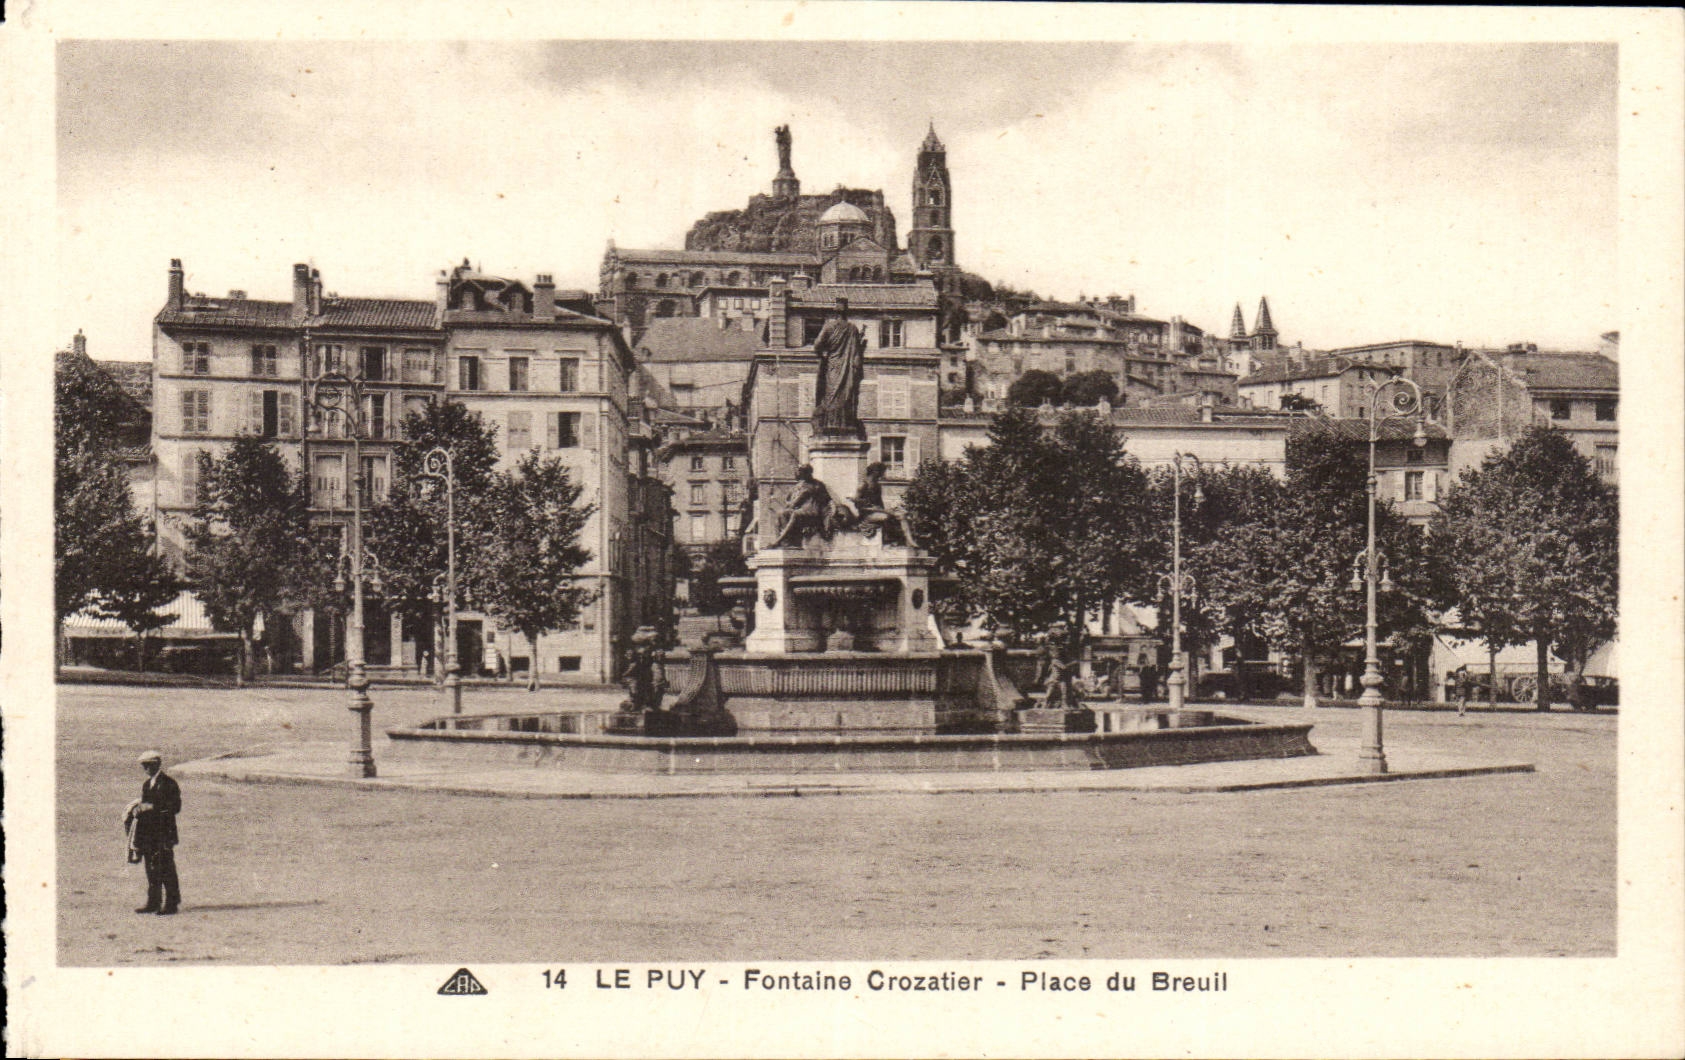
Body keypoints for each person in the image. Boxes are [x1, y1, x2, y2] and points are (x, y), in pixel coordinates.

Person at [124, 751, 181, 915]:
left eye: (148, 765)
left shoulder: (169, 784)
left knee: (166, 868)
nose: (146, 768)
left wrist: (153, 807)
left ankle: (172, 903)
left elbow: (175, 807)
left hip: (164, 833)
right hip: (149, 834)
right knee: (151, 869)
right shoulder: (147, 785)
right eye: (144, 765)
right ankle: (154, 902)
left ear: (157, 764)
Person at [810, 298, 866, 437]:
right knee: (845, 395)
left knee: (831, 394)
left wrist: (823, 355)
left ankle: (831, 423)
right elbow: (857, 353)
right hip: (847, 367)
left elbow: (817, 345)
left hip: (833, 366)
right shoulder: (852, 328)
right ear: (846, 312)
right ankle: (844, 423)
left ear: (835, 312)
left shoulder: (829, 327)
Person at [770, 465, 833, 547]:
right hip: (801, 510)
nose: (798, 474)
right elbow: (790, 501)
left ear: (807, 473)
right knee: (780, 514)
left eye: (801, 472)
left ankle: (778, 542)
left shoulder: (817, 485)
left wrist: (832, 508)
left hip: (813, 512)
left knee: (795, 514)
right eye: (799, 472)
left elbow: (827, 499)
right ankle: (787, 543)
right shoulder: (798, 486)